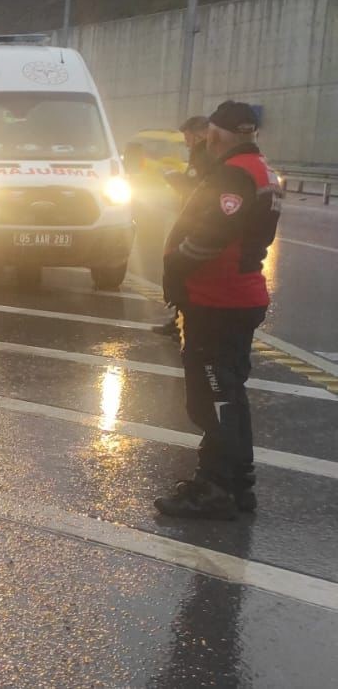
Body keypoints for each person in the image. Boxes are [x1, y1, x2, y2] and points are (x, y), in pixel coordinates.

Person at [154, 101, 281, 519]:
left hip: (218, 299)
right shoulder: (259, 169)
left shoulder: (233, 173)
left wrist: (176, 266)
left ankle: (216, 488)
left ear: (215, 134)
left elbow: (211, 235)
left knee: (212, 398)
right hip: (236, 298)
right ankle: (236, 481)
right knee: (228, 394)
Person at [152, 115, 214, 338]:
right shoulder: (204, 154)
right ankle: (180, 321)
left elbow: (194, 189)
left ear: (199, 134)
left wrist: (173, 178)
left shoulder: (203, 156)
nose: (186, 140)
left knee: (181, 268)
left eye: (187, 136)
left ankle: (184, 324)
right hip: (193, 218)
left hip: (194, 221)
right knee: (183, 271)